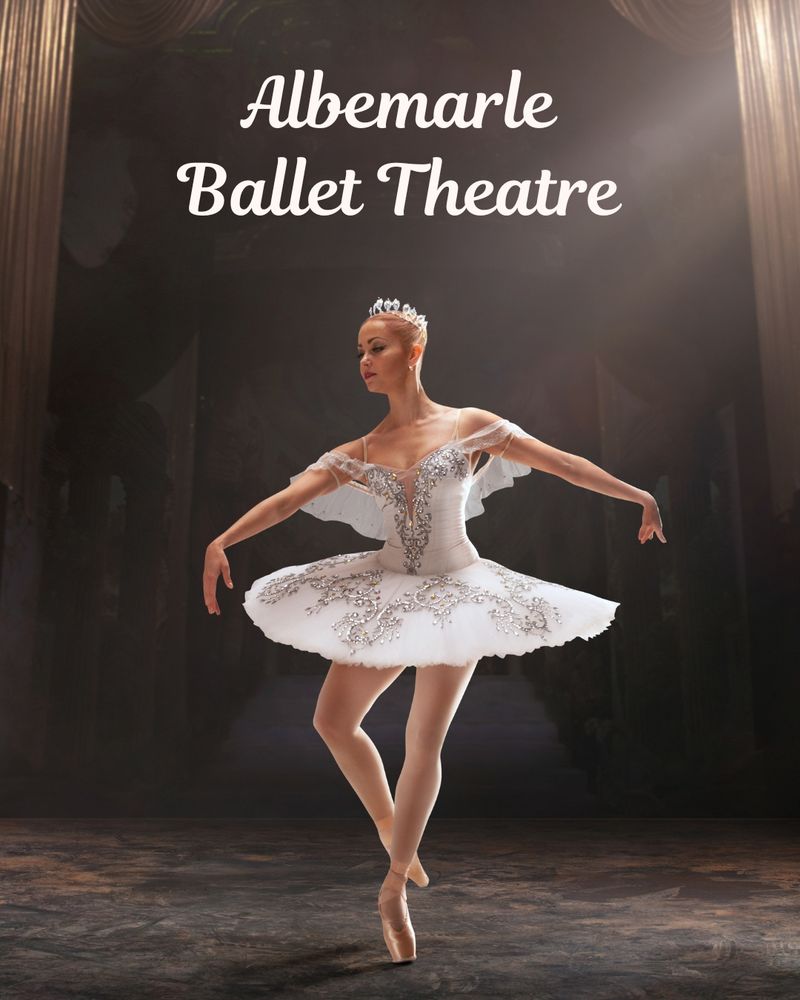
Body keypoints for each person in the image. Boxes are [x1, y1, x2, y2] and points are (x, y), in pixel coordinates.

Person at [203, 296, 666, 964]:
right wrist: (222, 539)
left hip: (458, 592)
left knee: (424, 738)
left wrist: (639, 495)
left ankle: (393, 888)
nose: (364, 361)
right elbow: (286, 499)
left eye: (376, 347)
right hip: (389, 586)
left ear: (414, 351)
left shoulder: (470, 425)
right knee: (333, 721)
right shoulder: (360, 449)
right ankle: (398, 834)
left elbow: (561, 461)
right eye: (359, 351)